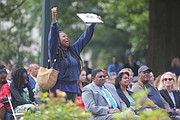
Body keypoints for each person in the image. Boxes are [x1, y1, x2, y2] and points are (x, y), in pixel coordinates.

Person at [48, 7, 99, 102]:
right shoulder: (55, 52)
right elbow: (52, 39)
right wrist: (54, 21)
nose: (67, 38)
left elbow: (84, 39)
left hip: (73, 87)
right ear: (58, 41)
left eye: (67, 36)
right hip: (59, 88)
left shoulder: (73, 50)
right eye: (63, 36)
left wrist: (93, 24)